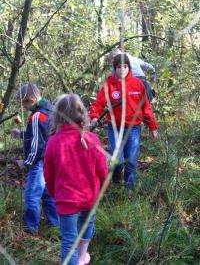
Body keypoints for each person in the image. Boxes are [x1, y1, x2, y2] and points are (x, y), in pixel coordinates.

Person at [43, 93, 108, 265]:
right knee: (87, 228)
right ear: (82, 114)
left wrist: (55, 194)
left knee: (69, 242)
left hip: (66, 200)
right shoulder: (92, 139)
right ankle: (82, 257)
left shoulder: (53, 142)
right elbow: (103, 171)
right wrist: (99, 192)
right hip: (89, 198)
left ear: (57, 116)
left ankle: (80, 258)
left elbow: (48, 176)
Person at [90, 54, 158, 196]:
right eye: (119, 67)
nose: (122, 69)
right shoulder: (109, 85)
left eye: (125, 66)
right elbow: (98, 103)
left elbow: (146, 107)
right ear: (115, 69)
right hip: (115, 128)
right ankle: (116, 176)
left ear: (129, 67)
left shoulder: (137, 84)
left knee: (131, 161)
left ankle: (129, 191)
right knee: (118, 160)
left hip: (133, 128)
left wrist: (153, 127)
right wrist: (94, 117)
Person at [11, 83, 59, 234]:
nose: (23, 107)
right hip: (50, 160)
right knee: (47, 194)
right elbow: (39, 136)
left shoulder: (38, 115)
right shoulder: (50, 109)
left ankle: (31, 228)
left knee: (31, 195)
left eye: (23, 102)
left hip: (39, 162)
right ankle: (55, 225)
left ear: (31, 99)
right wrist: (21, 134)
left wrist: (26, 163)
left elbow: (38, 145)